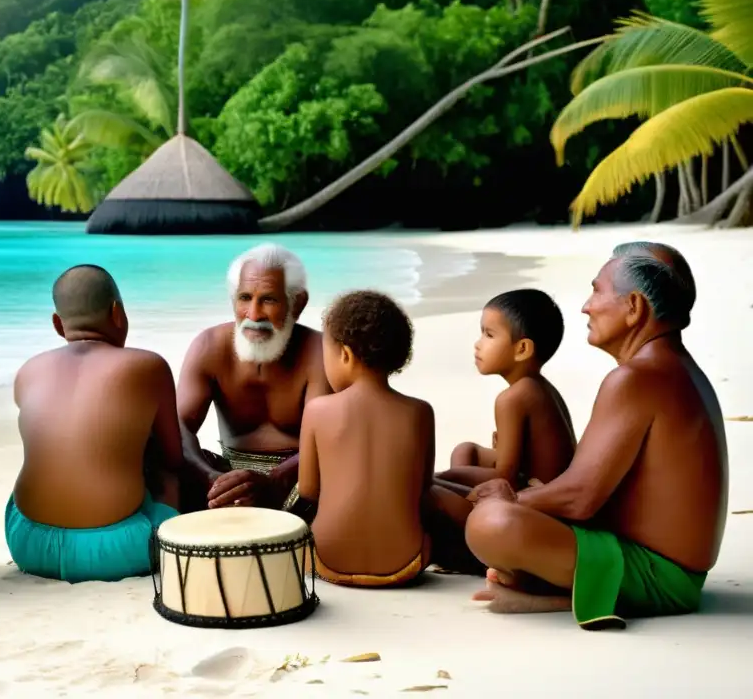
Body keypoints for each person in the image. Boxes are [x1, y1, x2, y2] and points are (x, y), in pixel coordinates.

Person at [465, 242, 728, 631]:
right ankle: (552, 581)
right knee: (507, 510)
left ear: (634, 308)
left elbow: (580, 498)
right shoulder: (672, 368)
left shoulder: (637, 377)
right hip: (666, 566)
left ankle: (555, 596)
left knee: (490, 523)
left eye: (597, 291)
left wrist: (515, 499)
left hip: (659, 575)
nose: (586, 306)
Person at [6, 264, 183, 583]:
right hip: (121, 549)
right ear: (118, 313)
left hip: (27, 544)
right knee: (166, 473)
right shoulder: (149, 366)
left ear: (58, 325)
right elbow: (173, 459)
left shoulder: (29, 370)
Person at [176, 243, 331, 512]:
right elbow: (178, 426)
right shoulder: (209, 347)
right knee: (153, 459)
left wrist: (276, 480)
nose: (254, 315)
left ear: (298, 303)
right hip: (227, 477)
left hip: (302, 480)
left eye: (268, 299)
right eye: (245, 298)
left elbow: (331, 437)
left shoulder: (320, 353)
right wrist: (211, 479)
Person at [295, 291, 435, 587]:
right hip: (406, 564)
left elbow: (308, 490)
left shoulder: (318, 410)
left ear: (344, 355)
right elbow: (423, 486)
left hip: (326, 561)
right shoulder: (420, 412)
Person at [435, 289, 576, 495]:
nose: (478, 344)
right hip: (532, 480)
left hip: (537, 497)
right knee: (465, 451)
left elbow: (504, 478)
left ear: (522, 349)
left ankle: (461, 510)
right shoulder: (538, 386)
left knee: (435, 489)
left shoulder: (514, 398)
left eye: (489, 335)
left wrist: (444, 477)